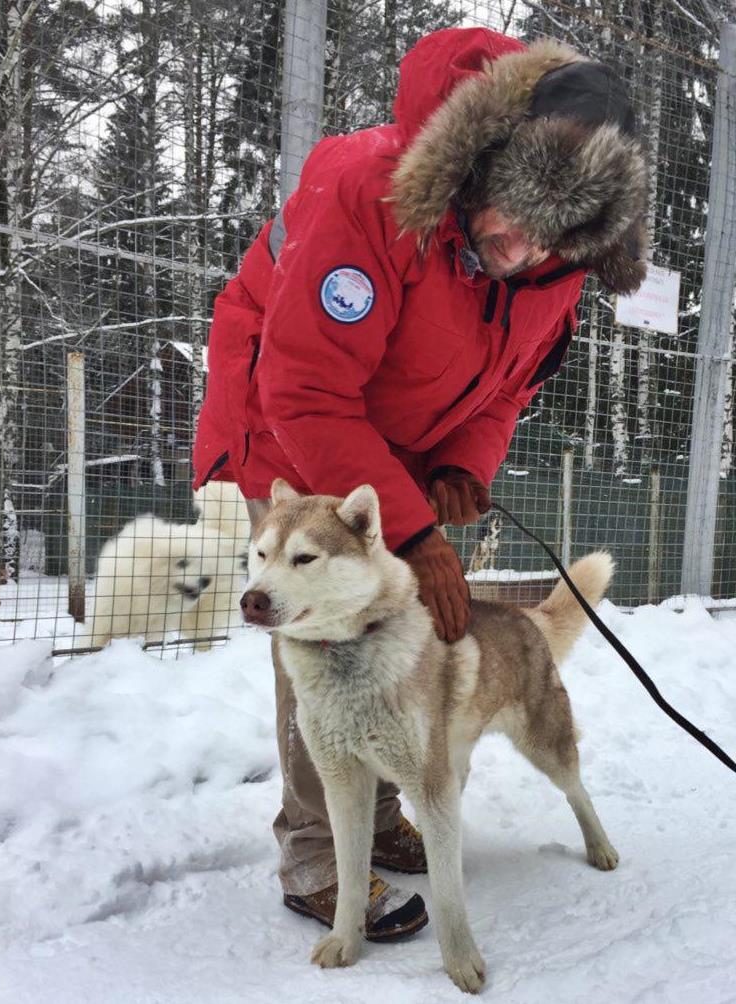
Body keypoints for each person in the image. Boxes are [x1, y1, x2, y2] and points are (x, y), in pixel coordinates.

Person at [193, 26, 648, 940]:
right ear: (481, 163)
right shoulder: (371, 189)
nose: (519, 255)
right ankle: (320, 855)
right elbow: (306, 388)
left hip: (400, 441)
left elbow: (509, 384)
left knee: (407, 635)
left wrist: (458, 469)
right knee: (322, 622)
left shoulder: (554, 257)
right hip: (289, 423)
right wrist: (409, 530)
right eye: (508, 223)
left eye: (548, 242)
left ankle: (387, 807)